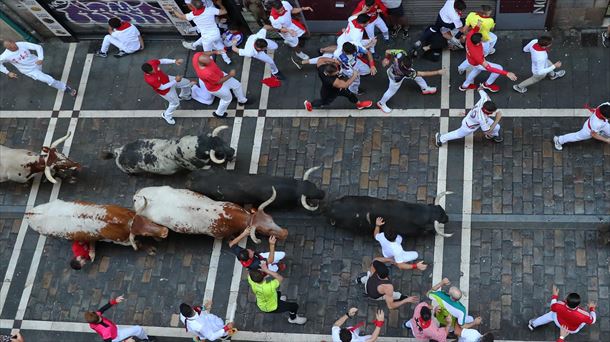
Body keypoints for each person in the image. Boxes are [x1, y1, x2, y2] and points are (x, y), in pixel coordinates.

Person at [0, 40, 77, 96]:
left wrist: (40, 58)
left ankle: (44, 74)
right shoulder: (5, 56)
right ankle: (66, 88)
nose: (14, 47)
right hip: (29, 71)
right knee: (49, 80)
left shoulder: (21, 44)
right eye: (11, 48)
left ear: (13, 42)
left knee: (43, 73)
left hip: (37, 63)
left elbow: (38, 47)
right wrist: (7, 72)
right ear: (8, 49)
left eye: (13, 45)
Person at [457, 20, 517, 92]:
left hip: (470, 59)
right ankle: (487, 85)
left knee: (476, 71)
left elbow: (474, 30)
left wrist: (478, 25)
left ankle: (464, 86)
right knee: (499, 68)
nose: (483, 39)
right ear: (478, 43)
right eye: (481, 40)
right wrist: (506, 73)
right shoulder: (477, 55)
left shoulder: (470, 36)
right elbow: (489, 68)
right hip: (477, 62)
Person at [377, 49, 444, 113]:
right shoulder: (407, 71)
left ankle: (425, 89)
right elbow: (422, 73)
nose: (411, 66)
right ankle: (381, 103)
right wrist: (438, 72)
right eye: (408, 67)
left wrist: (387, 58)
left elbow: (387, 51)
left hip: (392, 70)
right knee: (391, 91)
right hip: (395, 78)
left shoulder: (401, 53)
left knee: (418, 77)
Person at [435, 89, 503, 147]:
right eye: (492, 112)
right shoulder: (481, 118)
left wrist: (482, 86)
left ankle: (491, 136)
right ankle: (440, 138)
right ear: (487, 111)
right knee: (459, 134)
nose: (494, 112)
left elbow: (479, 89)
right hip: (469, 125)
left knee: (497, 127)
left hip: (477, 118)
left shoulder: (484, 99)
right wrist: (497, 119)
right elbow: (486, 131)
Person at [172, 0, 232, 64]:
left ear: (192, 7)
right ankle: (227, 60)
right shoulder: (210, 10)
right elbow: (224, 11)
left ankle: (211, 63)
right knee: (219, 45)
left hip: (207, 38)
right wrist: (220, 4)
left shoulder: (192, 15)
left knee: (207, 53)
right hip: (216, 34)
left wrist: (173, 9)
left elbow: (181, 16)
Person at [192, 52, 248, 118]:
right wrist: (230, 75)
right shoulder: (207, 73)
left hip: (220, 75)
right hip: (217, 88)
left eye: (209, 58)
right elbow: (219, 81)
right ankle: (219, 113)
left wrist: (215, 52)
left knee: (237, 85)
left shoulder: (197, 56)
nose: (210, 60)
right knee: (227, 99)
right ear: (204, 64)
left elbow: (206, 53)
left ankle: (242, 100)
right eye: (209, 61)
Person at [303, 59, 372, 111]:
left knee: (349, 94)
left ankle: (359, 104)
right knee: (324, 102)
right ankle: (310, 105)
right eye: (336, 72)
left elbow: (320, 59)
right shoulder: (332, 81)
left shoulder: (321, 67)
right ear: (330, 74)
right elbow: (345, 85)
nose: (338, 71)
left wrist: (333, 60)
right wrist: (354, 75)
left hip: (337, 88)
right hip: (330, 92)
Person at [528, 285, 596, 337]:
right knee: (584, 320)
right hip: (572, 330)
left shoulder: (560, 305)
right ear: (578, 305)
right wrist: (592, 308)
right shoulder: (584, 314)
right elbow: (592, 321)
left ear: (566, 300)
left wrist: (555, 296)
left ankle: (533, 324)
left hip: (559, 322)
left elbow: (553, 307)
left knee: (552, 313)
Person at [142, 58, 193, 125]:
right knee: (175, 103)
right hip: (166, 91)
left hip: (168, 79)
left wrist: (174, 61)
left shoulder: (152, 63)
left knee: (186, 83)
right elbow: (162, 87)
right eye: (152, 71)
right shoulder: (150, 80)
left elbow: (162, 61)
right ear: (147, 72)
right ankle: (167, 115)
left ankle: (184, 95)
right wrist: (175, 81)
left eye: (153, 68)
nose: (154, 70)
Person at [85, 295, 154, 342]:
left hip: (114, 329)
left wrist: (115, 301)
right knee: (138, 329)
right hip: (117, 336)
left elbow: (103, 308)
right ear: (97, 317)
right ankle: (146, 340)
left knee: (135, 331)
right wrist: (125, 341)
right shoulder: (105, 332)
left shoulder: (93, 320)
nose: (98, 313)